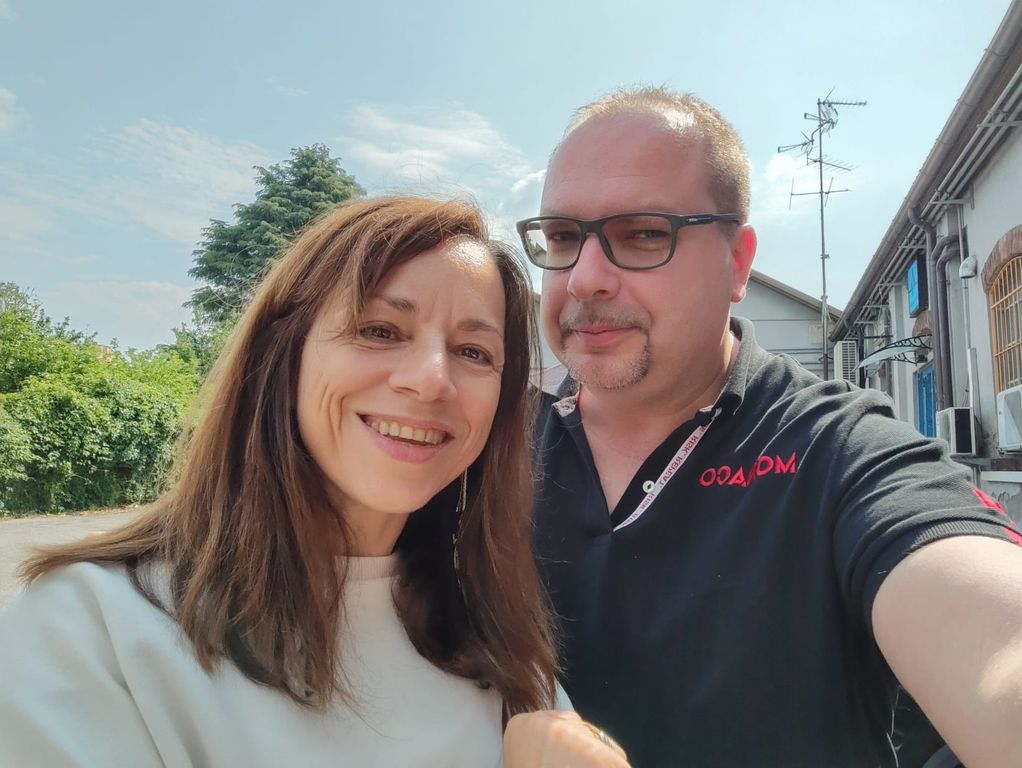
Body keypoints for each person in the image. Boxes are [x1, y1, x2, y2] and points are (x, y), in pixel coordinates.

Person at [0, 196, 628, 768]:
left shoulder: (502, 651)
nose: (432, 380)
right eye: (380, 330)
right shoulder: (91, 635)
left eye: (473, 352)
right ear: (284, 353)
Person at [518, 87, 1022, 768]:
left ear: (738, 262)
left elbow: (992, 640)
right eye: (561, 238)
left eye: (643, 234)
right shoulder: (485, 452)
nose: (584, 279)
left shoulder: (835, 451)